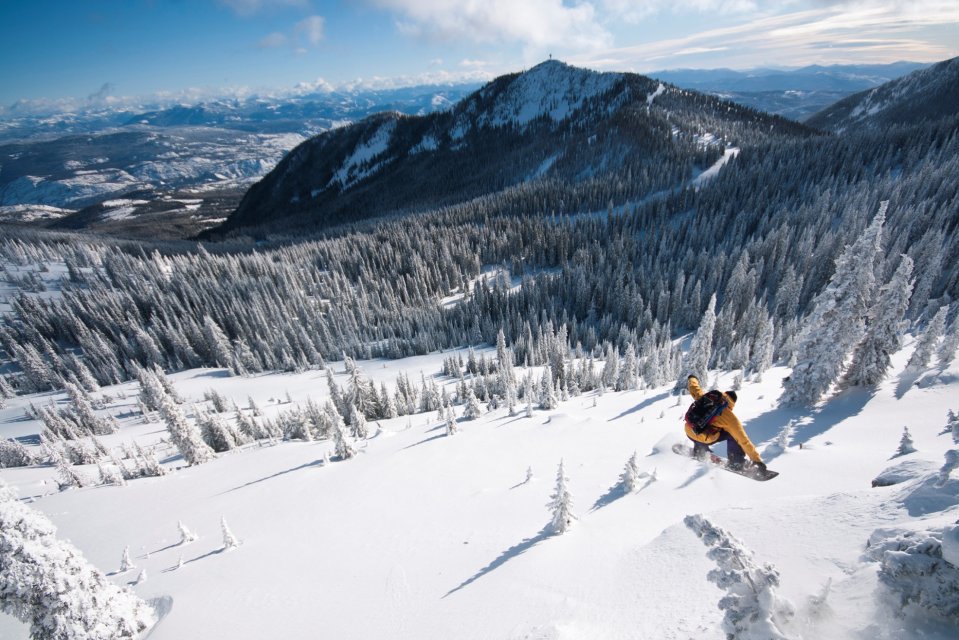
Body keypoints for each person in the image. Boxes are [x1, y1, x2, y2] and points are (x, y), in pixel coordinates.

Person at [685, 375, 766, 473]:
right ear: (732, 403)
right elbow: (744, 440)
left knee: (706, 425)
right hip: (704, 437)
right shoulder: (730, 418)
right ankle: (736, 462)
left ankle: (699, 450)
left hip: (689, 430)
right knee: (733, 435)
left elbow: (694, 388)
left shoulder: (706, 399)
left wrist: (692, 378)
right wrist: (756, 460)